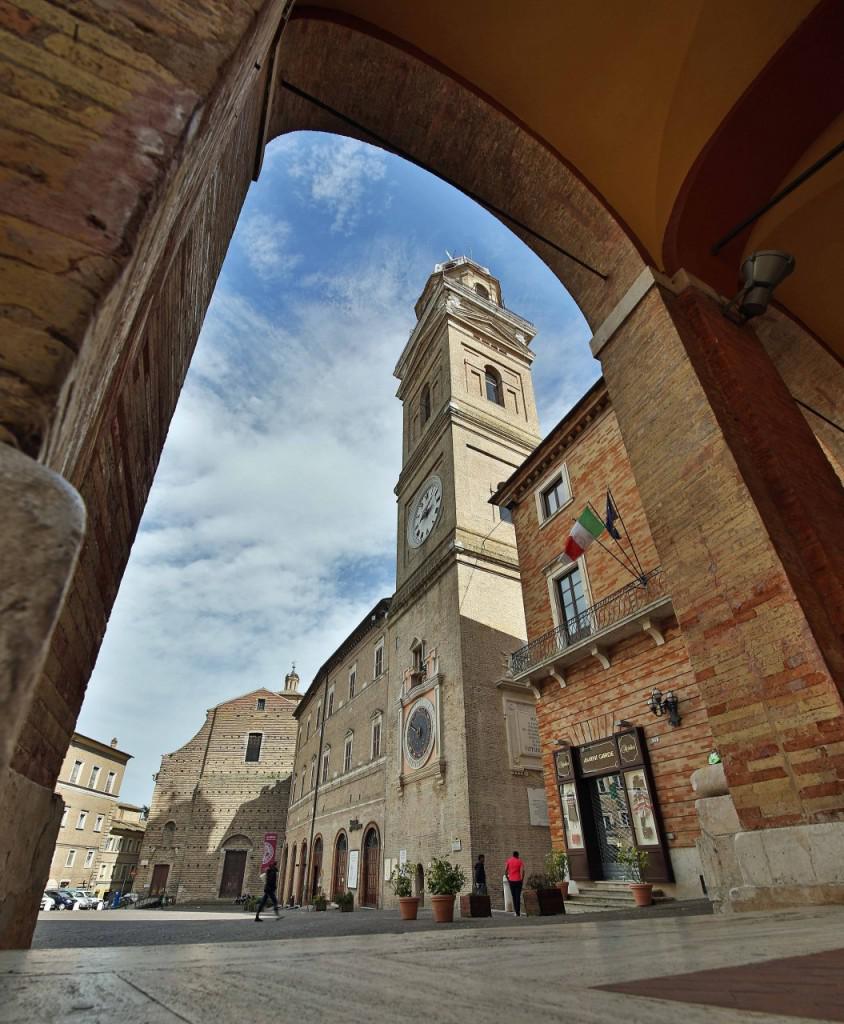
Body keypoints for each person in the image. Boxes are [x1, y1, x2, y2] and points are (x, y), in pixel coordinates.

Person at [505, 850, 526, 916]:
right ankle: (518, 911)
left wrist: (508, 878)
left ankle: (516, 912)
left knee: (514, 896)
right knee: (518, 896)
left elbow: (505, 871)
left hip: (511, 881)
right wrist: (522, 879)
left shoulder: (509, 861)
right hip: (518, 881)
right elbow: (523, 871)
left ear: (513, 855)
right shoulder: (519, 861)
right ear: (517, 855)